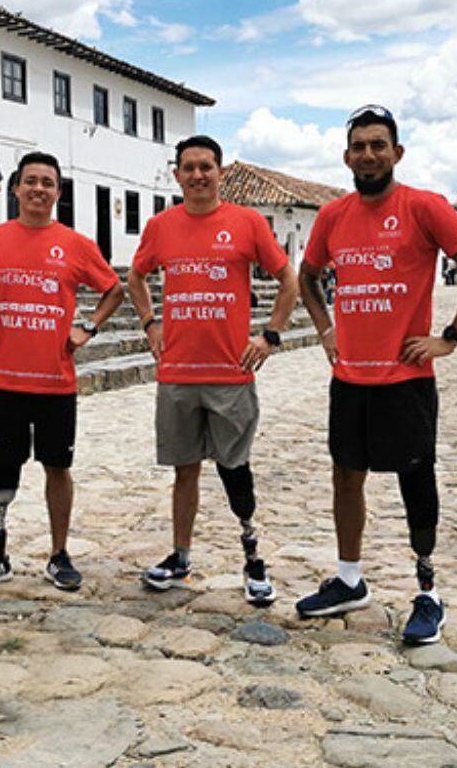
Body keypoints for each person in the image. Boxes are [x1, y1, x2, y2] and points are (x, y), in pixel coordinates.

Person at [295, 104, 457, 645]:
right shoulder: (332, 216)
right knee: (345, 474)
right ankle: (349, 579)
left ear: (397, 152)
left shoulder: (423, 207)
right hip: (350, 378)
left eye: (378, 144)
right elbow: (307, 275)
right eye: (359, 146)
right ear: (346, 156)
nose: (368, 154)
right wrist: (324, 328)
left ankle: (428, 591)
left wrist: (450, 337)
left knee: (416, 478)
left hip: (406, 379)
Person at [0, 152, 125, 593]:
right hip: (3, 379)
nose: (38, 189)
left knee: (57, 467)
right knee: (1, 468)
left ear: (58, 193)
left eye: (47, 182)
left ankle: (59, 554)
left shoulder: (77, 245)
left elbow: (114, 290)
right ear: (16, 189)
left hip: (55, 382)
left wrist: (87, 328)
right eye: (30, 181)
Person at [128, 135, 299, 605]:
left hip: (230, 375)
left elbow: (289, 280)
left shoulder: (245, 223)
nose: (198, 175)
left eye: (206, 166)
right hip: (178, 373)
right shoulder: (161, 226)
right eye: (189, 167)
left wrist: (270, 335)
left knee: (234, 468)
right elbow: (136, 275)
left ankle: (252, 559)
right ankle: (181, 556)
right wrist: (150, 323)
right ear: (177, 174)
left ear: (220, 173)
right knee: (184, 471)